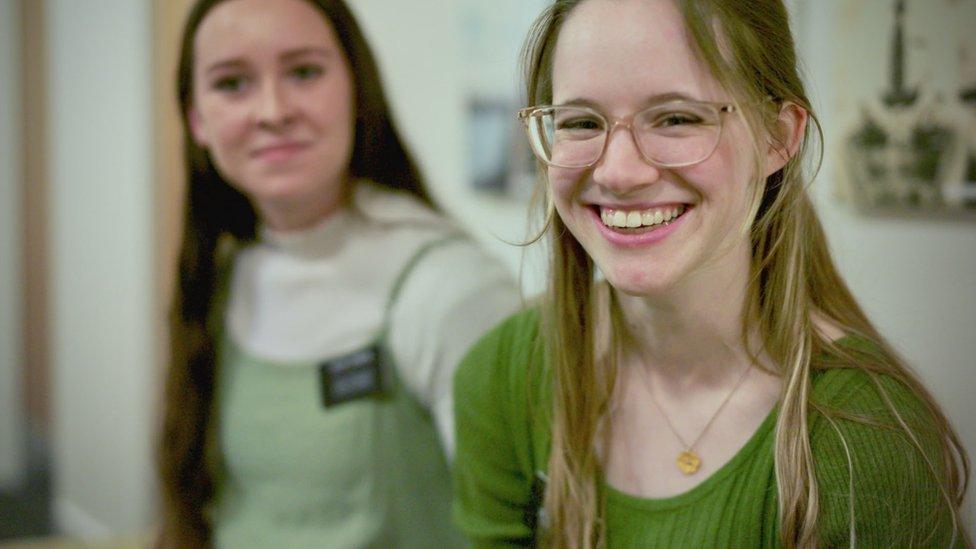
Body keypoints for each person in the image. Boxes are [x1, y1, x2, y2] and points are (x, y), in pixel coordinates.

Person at [452, 0, 971, 547]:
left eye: (676, 117)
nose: (619, 172)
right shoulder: (504, 380)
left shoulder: (862, 439)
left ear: (778, 137)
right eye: (581, 122)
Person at [157, 0, 518, 546]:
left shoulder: (451, 287)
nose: (273, 110)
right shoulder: (226, 271)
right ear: (196, 120)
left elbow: (521, 527)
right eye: (232, 83)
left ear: (356, 92)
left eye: (304, 72)